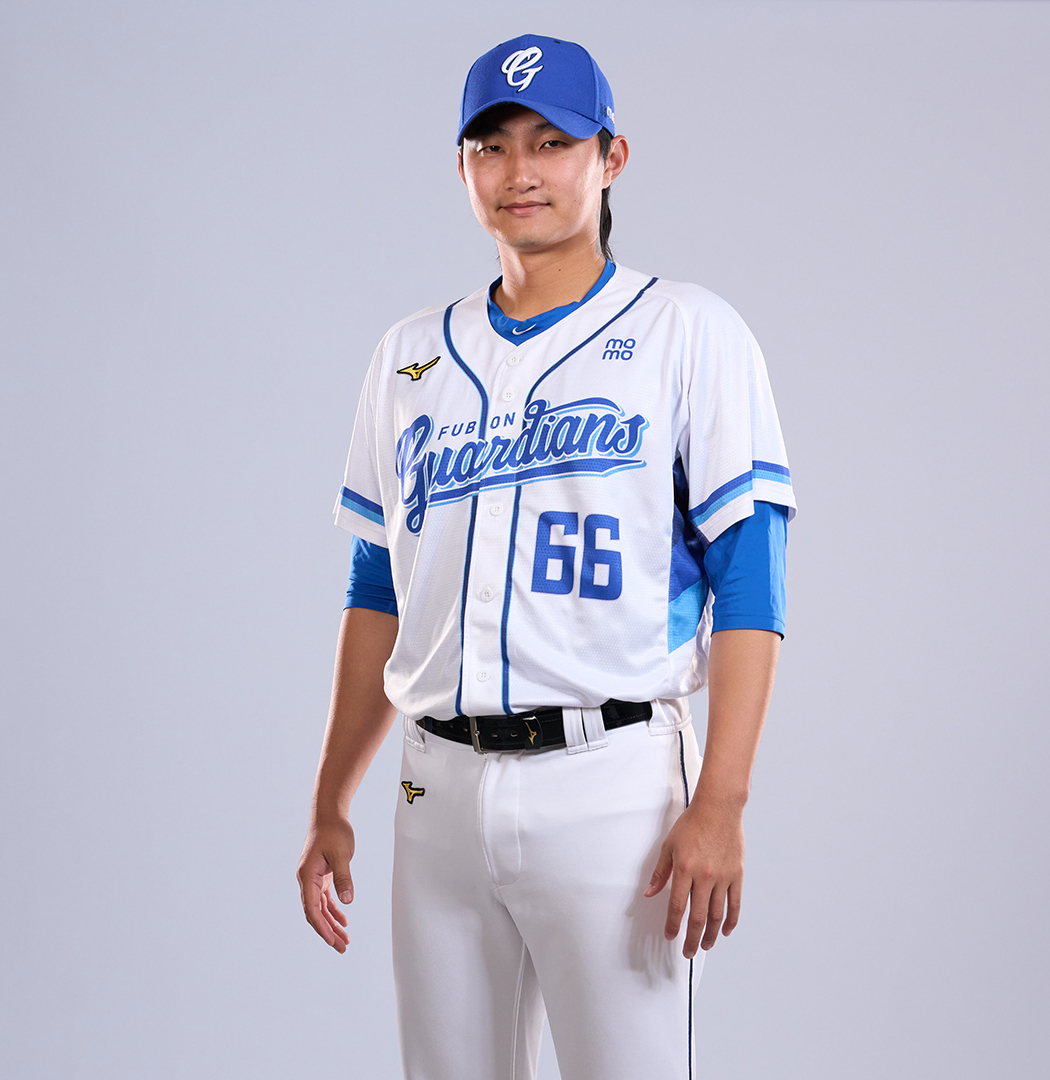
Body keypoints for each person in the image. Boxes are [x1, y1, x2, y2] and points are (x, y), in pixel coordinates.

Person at [297, 33, 796, 1080]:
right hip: (434, 789)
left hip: (613, 784)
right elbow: (378, 588)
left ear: (611, 158)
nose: (520, 170)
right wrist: (331, 799)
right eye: (492, 146)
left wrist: (723, 803)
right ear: (462, 167)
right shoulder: (408, 357)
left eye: (552, 141)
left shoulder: (688, 331)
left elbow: (750, 581)